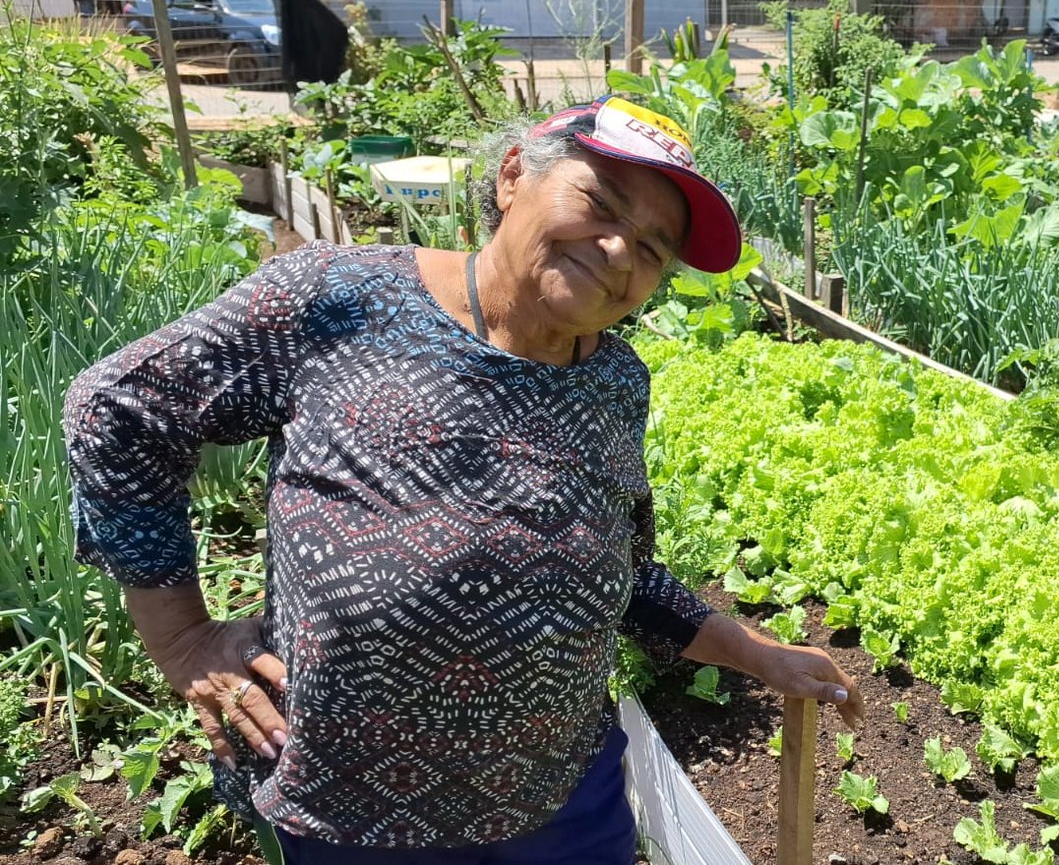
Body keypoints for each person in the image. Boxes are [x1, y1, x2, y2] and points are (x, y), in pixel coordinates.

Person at [64, 96, 865, 864]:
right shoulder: (339, 299)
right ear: (513, 173)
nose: (621, 249)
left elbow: (622, 575)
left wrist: (755, 652)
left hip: (561, 799)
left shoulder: (618, 380)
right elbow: (119, 407)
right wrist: (181, 637)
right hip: (354, 809)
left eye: (653, 247)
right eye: (603, 202)